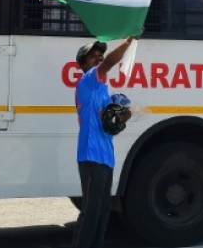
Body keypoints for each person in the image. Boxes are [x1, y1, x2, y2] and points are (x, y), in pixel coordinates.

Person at [72, 38, 134, 248]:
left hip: (106, 157)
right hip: (90, 156)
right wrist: (128, 42)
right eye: (93, 56)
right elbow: (108, 63)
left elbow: (112, 126)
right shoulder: (88, 81)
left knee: (103, 211)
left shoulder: (103, 92)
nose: (98, 57)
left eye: (100, 54)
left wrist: (127, 115)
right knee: (91, 210)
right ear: (84, 65)